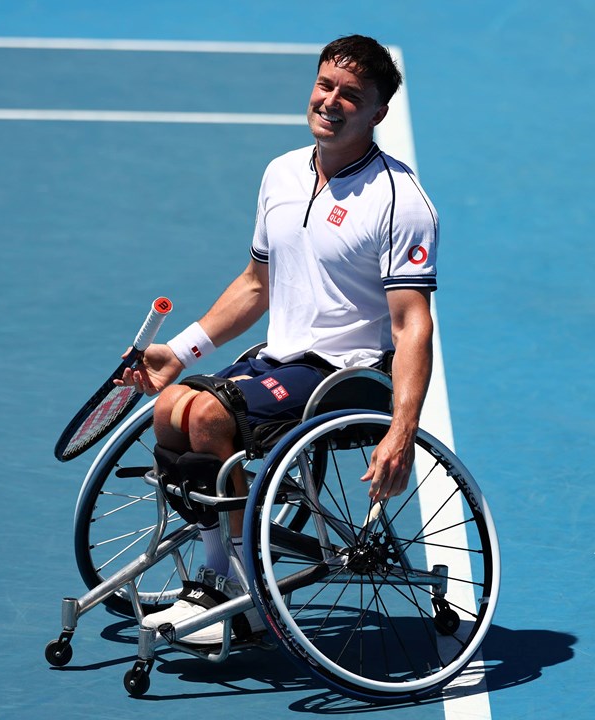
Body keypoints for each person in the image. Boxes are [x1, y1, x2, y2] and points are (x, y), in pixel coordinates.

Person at [117, 34, 438, 644]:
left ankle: (235, 587)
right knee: (170, 405)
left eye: (352, 95)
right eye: (325, 86)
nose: (331, 101)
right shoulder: (282, 172)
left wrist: (402, 429)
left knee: (209, 416)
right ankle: (220, 573)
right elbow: (255, 286)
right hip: (280, 359)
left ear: (378, 113)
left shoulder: (401, 202)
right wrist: (177, 353)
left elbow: (411, 323)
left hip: (349, 375)